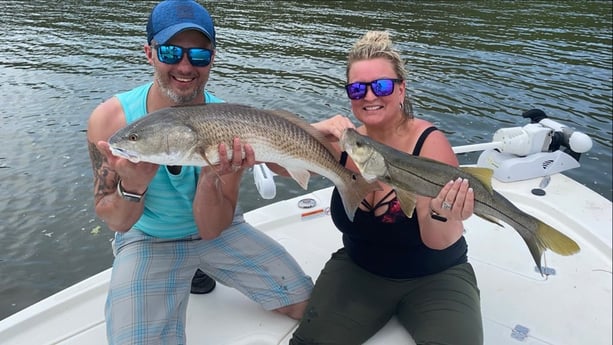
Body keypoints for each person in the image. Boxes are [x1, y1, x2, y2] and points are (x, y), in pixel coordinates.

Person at [86, 1, 312, 343]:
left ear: (212, 59)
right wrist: (132, 187)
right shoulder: (110, 121)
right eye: (171, 52)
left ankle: (199, 268)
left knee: (308, 307)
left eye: (199, 55)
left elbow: (213, 227)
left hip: (217, 231)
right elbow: (116, 220)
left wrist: (212, 176)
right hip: (148, 237)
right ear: (149, 52)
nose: (185, 66)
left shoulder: (230, 122)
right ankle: (189, 271)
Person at [290, 31, 483, 345]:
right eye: (357, 88)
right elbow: (279, 165)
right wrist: (314, 131)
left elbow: (440, 241)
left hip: (434, 276)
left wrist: (443, 213)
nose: (369, 96)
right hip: (359, 269)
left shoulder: (429, 144)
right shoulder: (345, 141)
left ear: (401, 89)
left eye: (381, 85)